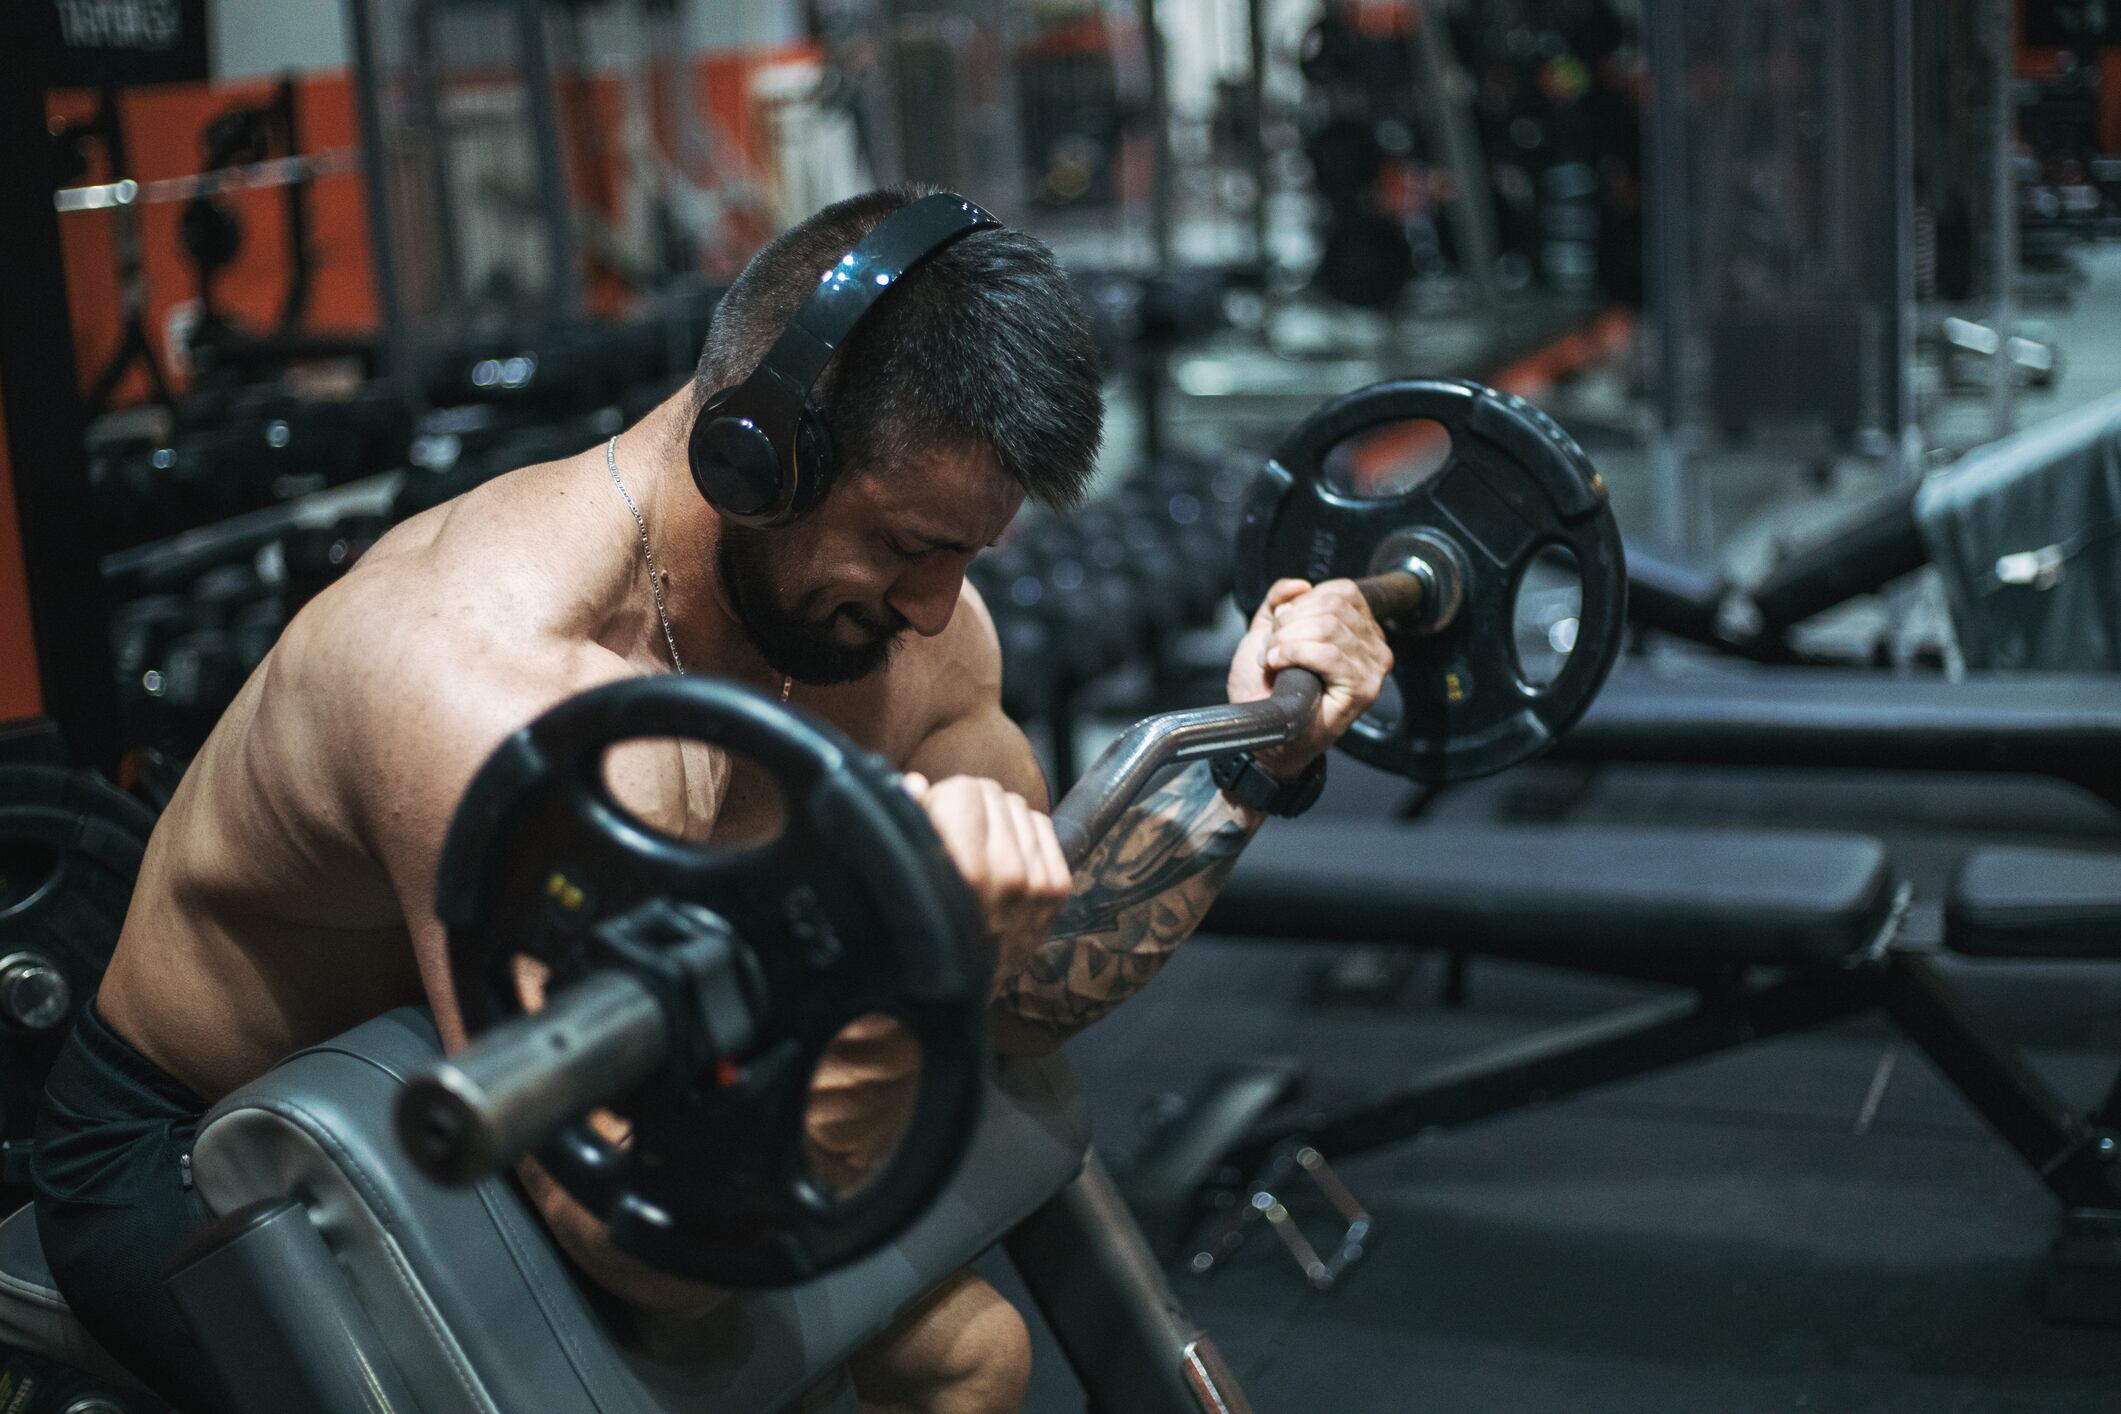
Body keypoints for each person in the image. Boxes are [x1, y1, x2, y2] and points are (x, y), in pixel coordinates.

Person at [36, 184, 1391, 1414]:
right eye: (908, 546)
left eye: (965, 555)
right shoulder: (485, 684)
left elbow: (1030, 987)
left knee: (972, 1362)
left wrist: (1248, 761)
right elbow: (634, 1243)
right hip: (221, 1154)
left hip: (540, 1101)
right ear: (755, 454)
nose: (933, 605)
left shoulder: (910, 628)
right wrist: (881, 1013)